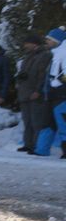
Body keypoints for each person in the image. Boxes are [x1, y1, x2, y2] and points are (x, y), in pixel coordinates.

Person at [15, 34, 52, 154]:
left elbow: (42, 75)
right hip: (25, 92)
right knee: (27, 121)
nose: (25, 45)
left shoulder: (44, 55)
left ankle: (36, 145)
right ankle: (28, 144)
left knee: (36, 121)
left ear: (34, 44)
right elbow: (23, 72)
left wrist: (38, 90)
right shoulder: (28, 56)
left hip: (35, 93)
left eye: (27, 43)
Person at [43, 27, 66, 158]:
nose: (47, 41)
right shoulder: (54, 55)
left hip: (61, 95)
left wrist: (60, 82)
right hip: (53, 95)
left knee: (63, 124)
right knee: (54, 123)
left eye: (50, 39)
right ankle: (42, 149)